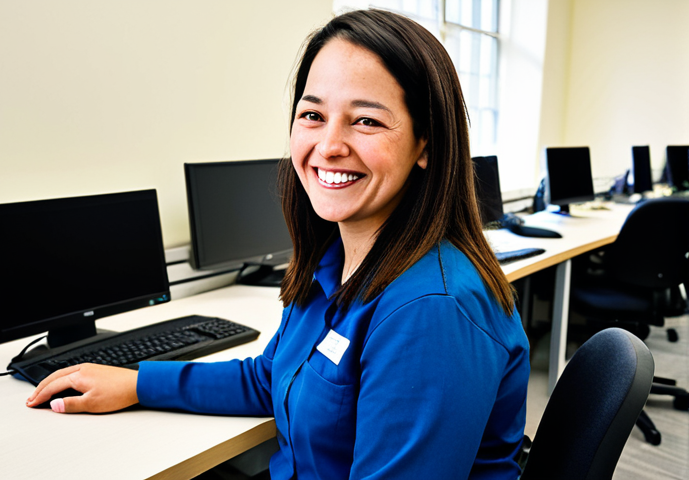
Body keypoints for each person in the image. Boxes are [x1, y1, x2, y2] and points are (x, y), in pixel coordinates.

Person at [27, 9, 530, 479]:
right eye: (313, 115)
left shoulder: (430, 312)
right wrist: (136, 382)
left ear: (427, 145)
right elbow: (271, 378)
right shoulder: (335, 262)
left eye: (367, 120)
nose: (329, 145)